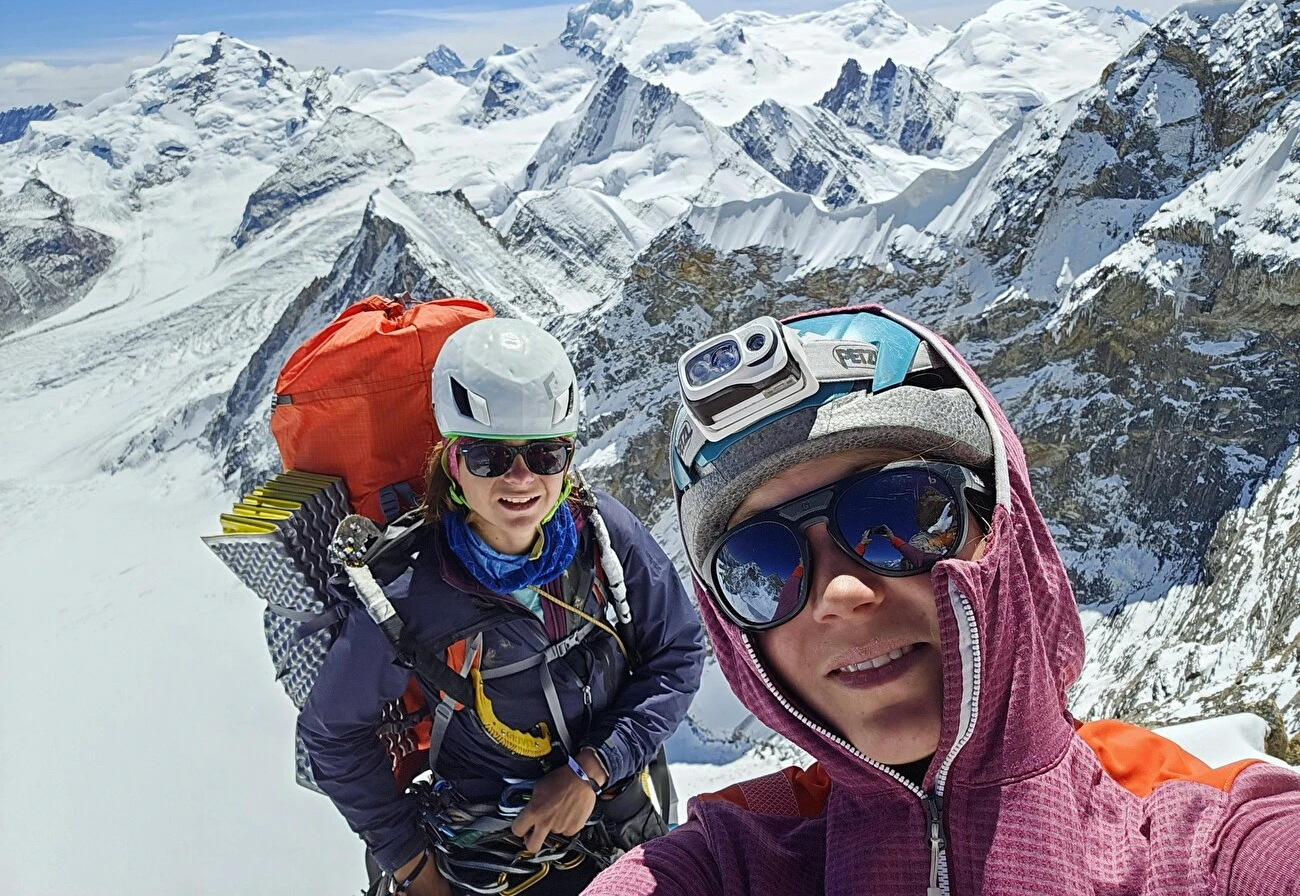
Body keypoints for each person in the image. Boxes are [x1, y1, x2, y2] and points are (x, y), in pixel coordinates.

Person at [585, 305, 1300, 895]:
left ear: (1005, 532)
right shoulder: (725, 864)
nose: (838, 592)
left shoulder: (1206, 844)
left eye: (902, 512)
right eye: (761, 565)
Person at [299, 318, 705, 896]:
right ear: (454, 462)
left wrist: (589, 771)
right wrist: (413, 868)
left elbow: (678, 653)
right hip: (488, 859)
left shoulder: (603, 535)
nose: (521, 480)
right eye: (490, 458)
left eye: (545, 455)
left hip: (614, 818)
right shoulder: (409, 597)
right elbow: (332, 734)